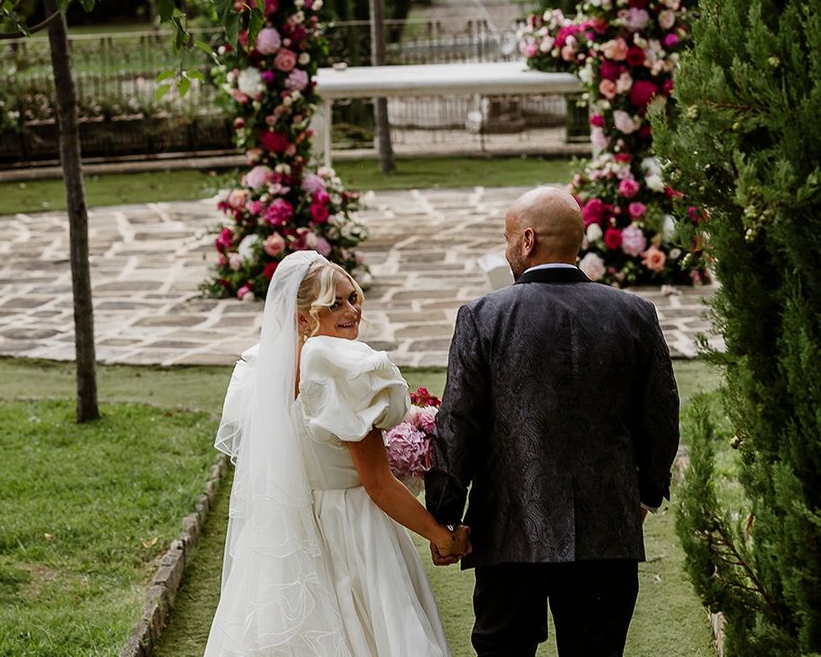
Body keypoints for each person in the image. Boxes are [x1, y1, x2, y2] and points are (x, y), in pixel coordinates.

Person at [425, 186, 680, 657]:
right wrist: (644, 494)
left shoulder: (483, 317)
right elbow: (661, 417)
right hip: (607, 532)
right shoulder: (635, 314)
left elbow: (458, 424)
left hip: (508, 531)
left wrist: (443, 515)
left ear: (526, 240)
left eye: (506, 240)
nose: (506, 251)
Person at [205, 249, 469, 656]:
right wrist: (441, 536)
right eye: (334, 304)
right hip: (354, 528)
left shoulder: (260, 371)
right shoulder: (339, 368)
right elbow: (378, 485)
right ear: (303, 317)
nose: (351, 311)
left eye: (353, 298)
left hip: (292, 533)